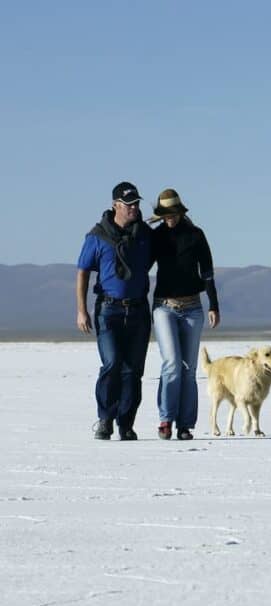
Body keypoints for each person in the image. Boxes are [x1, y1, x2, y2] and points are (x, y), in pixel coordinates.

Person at [75, 182, 153, 440]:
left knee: (133, 370)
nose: (133, 208)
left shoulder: (145, 234)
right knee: (112, 364)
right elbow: (83, 272)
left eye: (136, 203)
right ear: (115, 205)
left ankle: (126, 424)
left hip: (139, 310)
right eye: (128, 204)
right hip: (108, 310)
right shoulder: (97, 237)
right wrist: (81, 310)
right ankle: (105, 419)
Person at [148, 189, 221, 440]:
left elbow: (208, 272)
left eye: (173, 213)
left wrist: (213, 305)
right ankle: (166, 419)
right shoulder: (156, 237)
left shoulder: (195, 235)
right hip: (164, 307)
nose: (170, 218)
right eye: (165, 214)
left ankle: (185, 425)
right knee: (172, 365)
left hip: (192, 308)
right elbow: (141, 265)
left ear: (180, 212)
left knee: (188, 369)